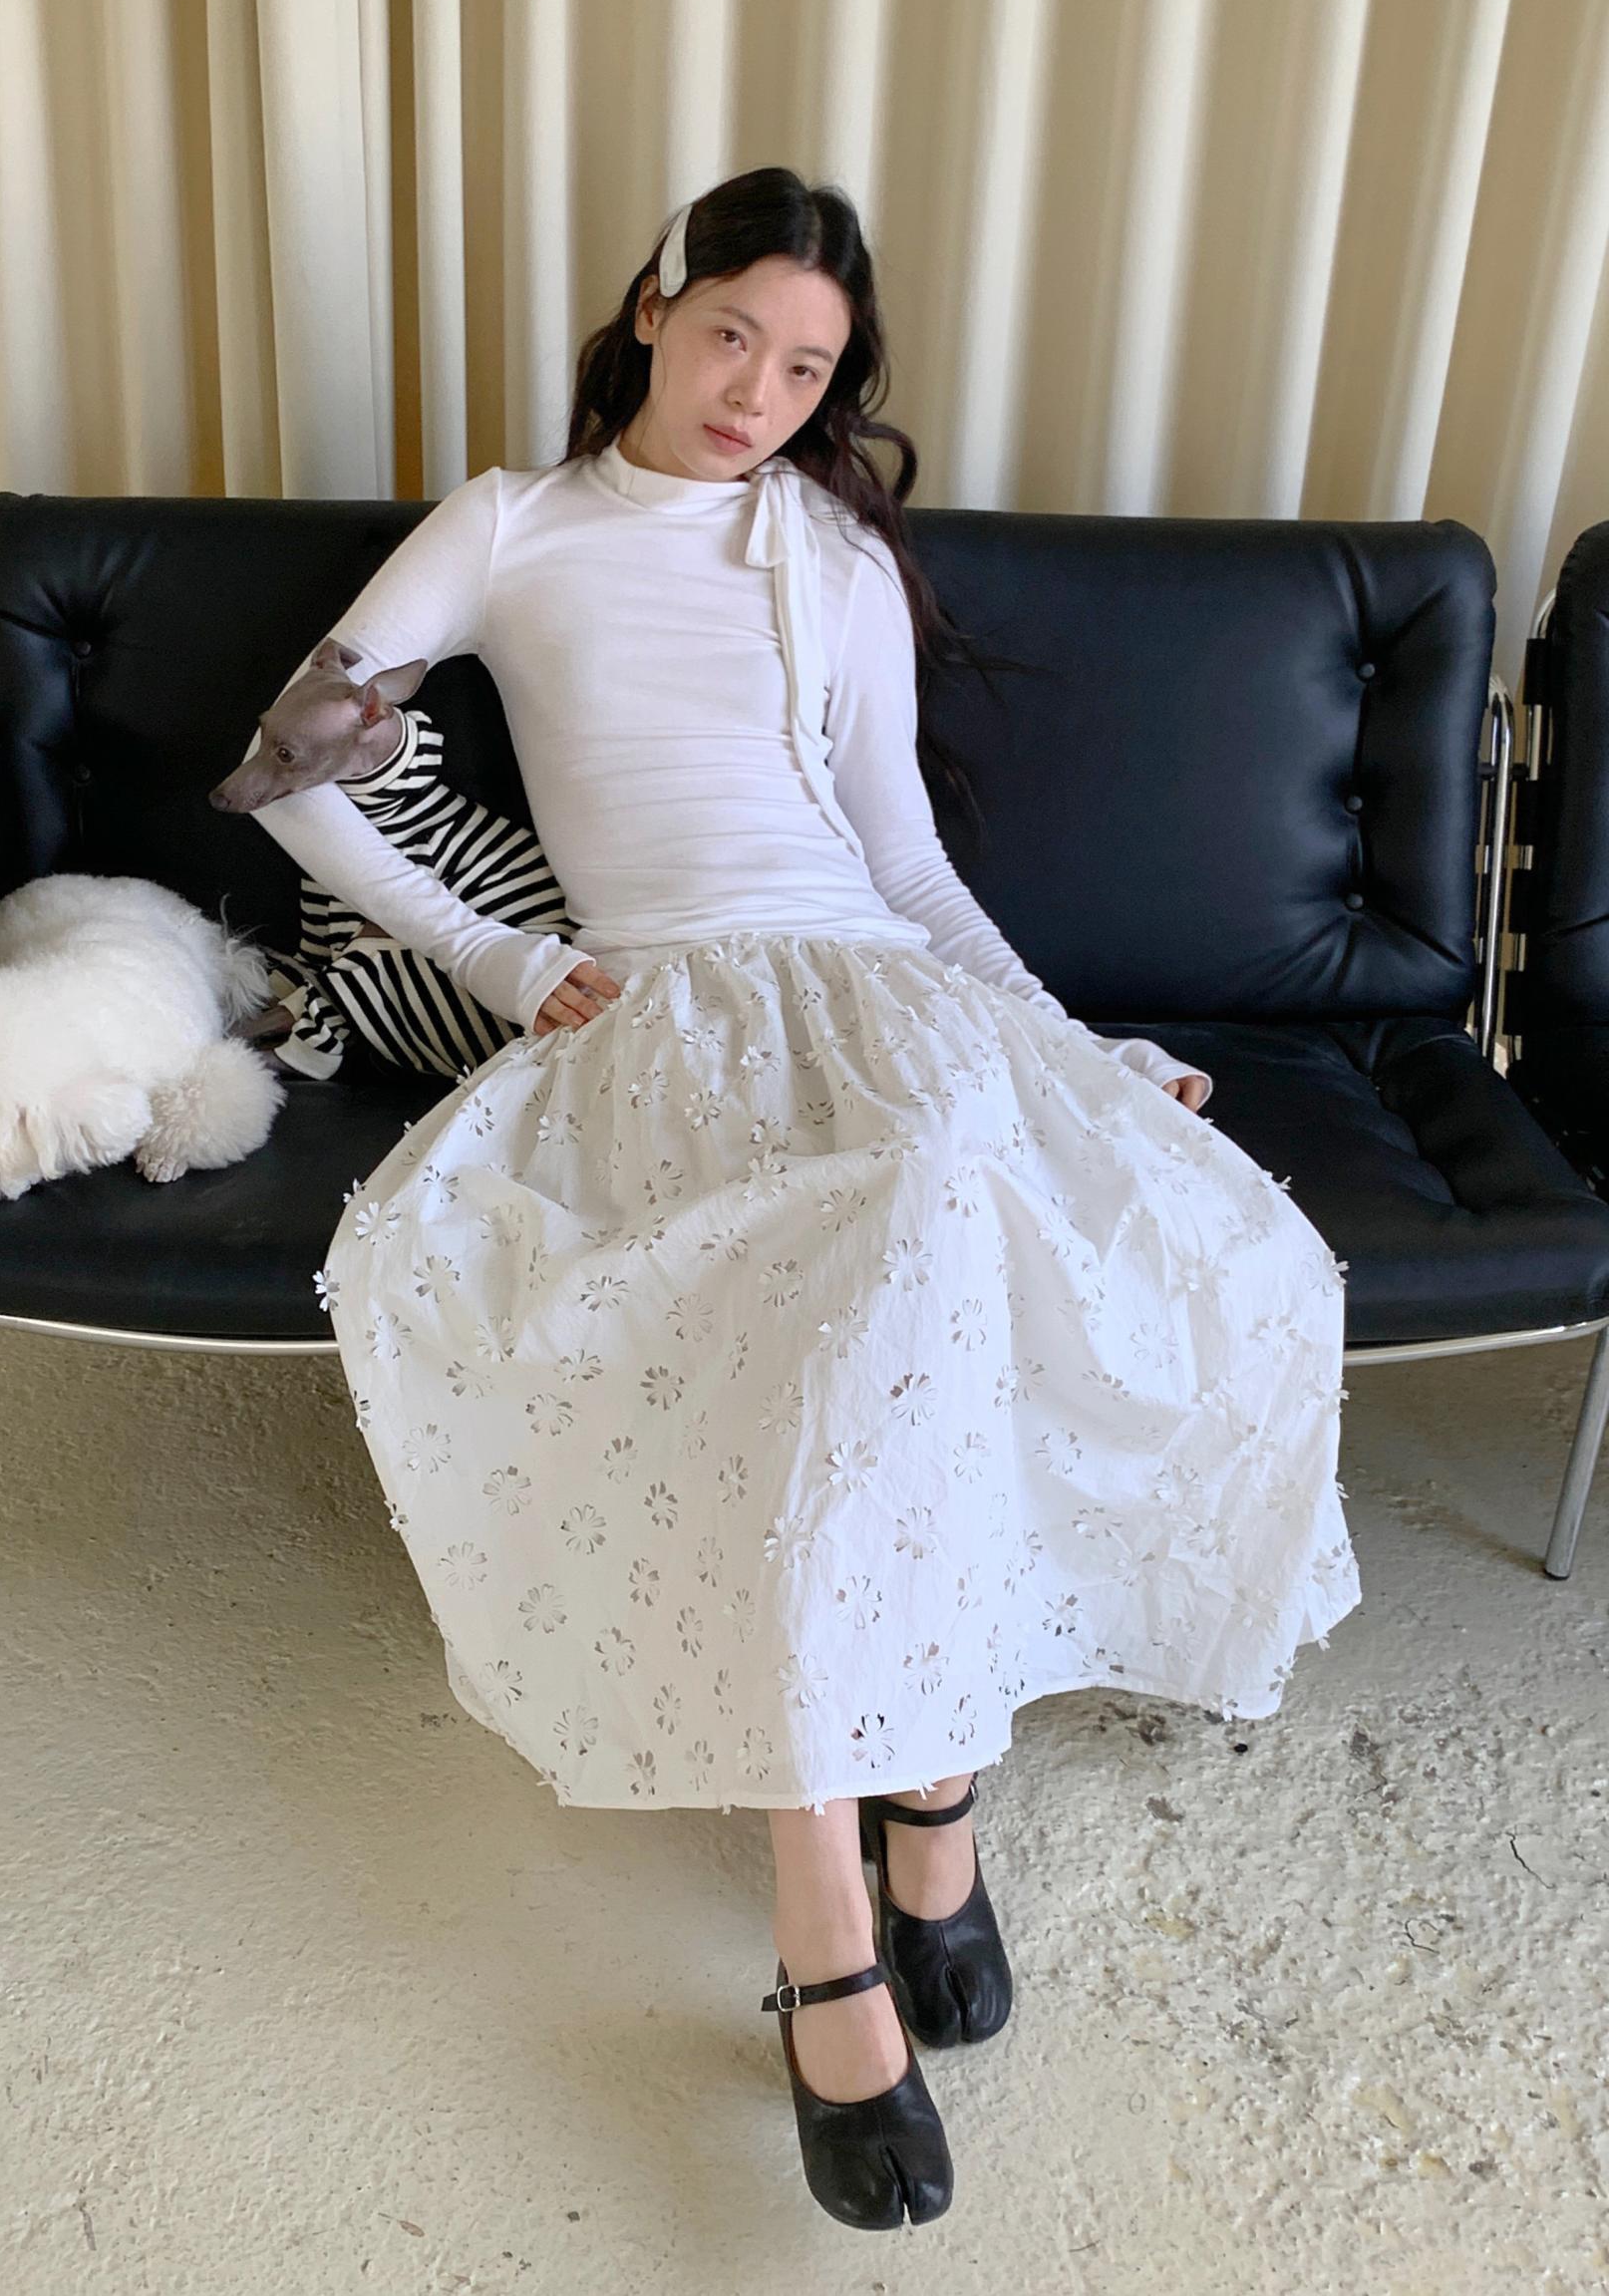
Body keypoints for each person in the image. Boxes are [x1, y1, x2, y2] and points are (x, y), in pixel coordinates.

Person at [244, 165, 1363, 2231]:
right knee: (835, 1297)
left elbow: (904, 861)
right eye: (732, 336)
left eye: (807, 368)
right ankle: (836, 1900)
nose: (757, 391)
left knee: (1023, 1222)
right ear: (655, 309)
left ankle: (923, 1798)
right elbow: (297, 761)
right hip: (665, 1012)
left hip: (877, 996)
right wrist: (498, 961)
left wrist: (1069, 1045)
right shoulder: (511, 523)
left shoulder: (828, 551)